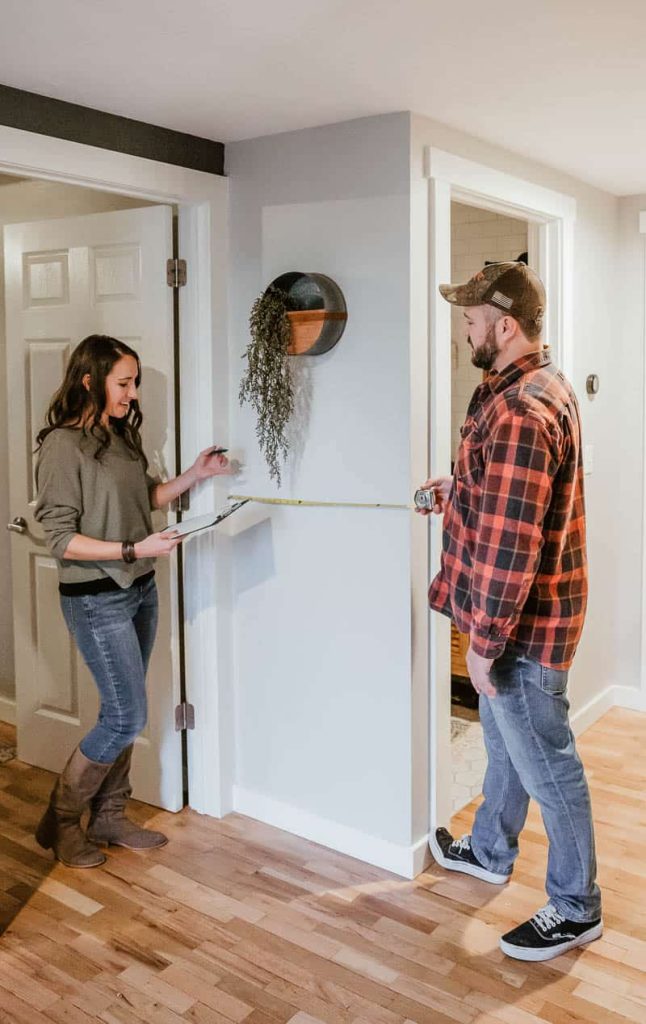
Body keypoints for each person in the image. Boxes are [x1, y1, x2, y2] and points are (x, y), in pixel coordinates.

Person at [418, 262, 602, 962]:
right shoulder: (525, 388)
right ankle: (491, 849)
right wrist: (460, 487)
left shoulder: (522, 408)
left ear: (505, 325)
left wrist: (486, 644)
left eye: (470, 319)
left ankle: (576, 906)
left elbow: (513, 543)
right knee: (504, 743)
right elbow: (508, 500)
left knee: (547, 764)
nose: (464, 328)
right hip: (517, 618)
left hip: (523, 627)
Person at [33, 334, 230, 869]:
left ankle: (110, 815)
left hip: (139, 588)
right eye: (124, 383)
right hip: (95, 598)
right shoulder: (60, 446)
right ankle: (62, 821)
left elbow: (141, 497)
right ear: (90, 380)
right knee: (125, 716)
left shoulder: (119, 438)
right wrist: (131, 548)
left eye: (135, 382)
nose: (133, 394)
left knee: (127, 711)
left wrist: (195, 475)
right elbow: (58, 537)